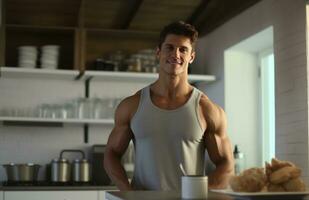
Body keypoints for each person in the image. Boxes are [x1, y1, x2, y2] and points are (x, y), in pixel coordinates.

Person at [104, 21, 234, 191]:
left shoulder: (206, 109)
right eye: (169, 48)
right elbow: (111, 154)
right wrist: (128, 193)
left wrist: (196, 192)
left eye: (183, 49)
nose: (176, 54)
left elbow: (227, 165)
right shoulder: (132, 105)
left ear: (191, 57)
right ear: (158, 52)